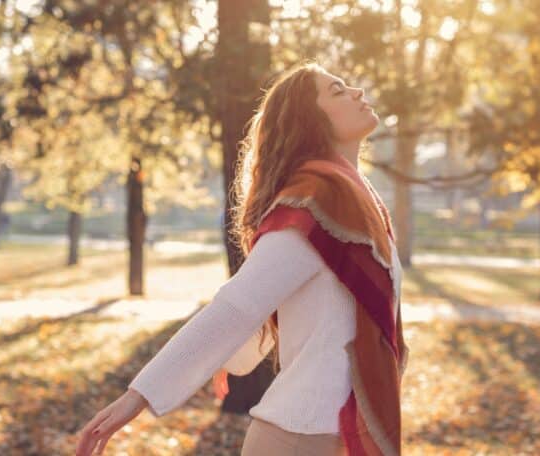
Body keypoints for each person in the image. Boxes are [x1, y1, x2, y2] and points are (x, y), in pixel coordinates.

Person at [75, 60, 409, 456]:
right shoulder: (313, 204)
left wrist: (232, 357)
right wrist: (138, 397)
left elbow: (300, 308)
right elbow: (237, 306)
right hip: (302, 438)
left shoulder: (360, 203)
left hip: (331, 434)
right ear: (310, 121)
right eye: (337, 91)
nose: (357, 92)